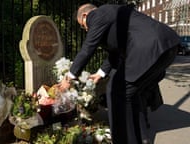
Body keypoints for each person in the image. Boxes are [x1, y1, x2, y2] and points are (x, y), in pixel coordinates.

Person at [58, 3, 180, 144]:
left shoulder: (98, 14)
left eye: (83, 25)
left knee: (116, 91)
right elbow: (115, 52)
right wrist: (100, 73)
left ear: (85, 15)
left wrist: (70, 77)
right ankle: (140, 137)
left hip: (149, 49)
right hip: (167, 46)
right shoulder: (113, 16)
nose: (85, 29)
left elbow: (88, 47)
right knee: (131, 94)